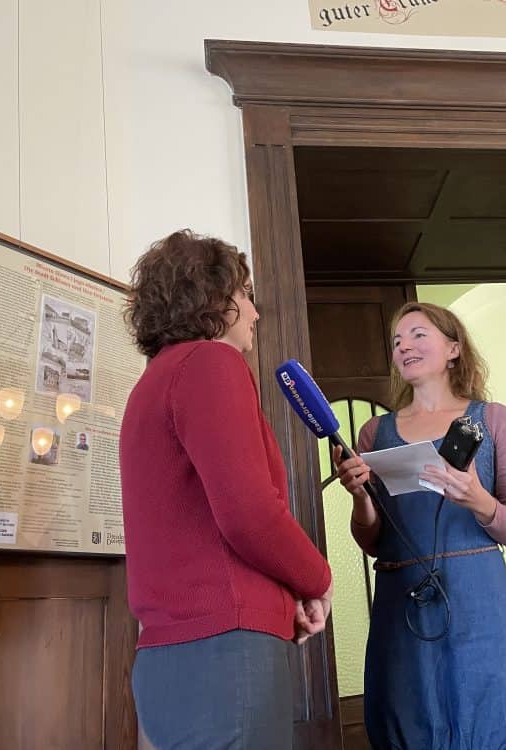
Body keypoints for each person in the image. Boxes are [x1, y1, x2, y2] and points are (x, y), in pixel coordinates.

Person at [120, 230, 333, 750]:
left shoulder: (151, 384)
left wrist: (286, 599)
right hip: (223, 652)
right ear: (213, 297)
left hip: (169, 654)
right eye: (245, 295)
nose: (255, 313)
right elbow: (249, 515)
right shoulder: (210, 364)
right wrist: (318, 579)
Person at [333, 301, 506, 750]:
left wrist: (477, 499)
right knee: (410, 721)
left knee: (490, 720)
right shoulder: (374, 432)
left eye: (417, 334)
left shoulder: (494, 420)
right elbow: (372, 540)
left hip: (481, 602)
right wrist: (358, 498)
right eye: (396, 341)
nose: (404, 345)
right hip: (401, 603)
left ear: (453, 348)